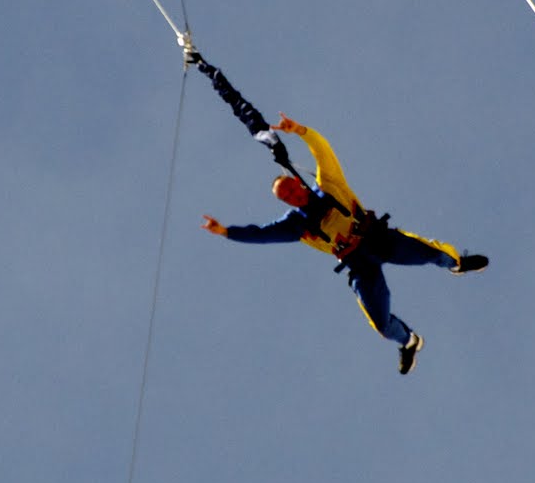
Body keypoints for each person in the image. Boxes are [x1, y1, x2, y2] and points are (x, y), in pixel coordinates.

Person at [201, 116, 486, 375]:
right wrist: (226, 231)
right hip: (359, 264)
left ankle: (457, 263)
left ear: (298, 184)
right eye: (285, 198)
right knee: (380, 323)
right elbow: (261, 234)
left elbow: (322, 151)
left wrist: (300, 130)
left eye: (290, 189)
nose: (291, 196)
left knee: (432, 253)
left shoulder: (328, 185)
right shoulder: (296, 225)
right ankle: (409, 341)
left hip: (378, 238)